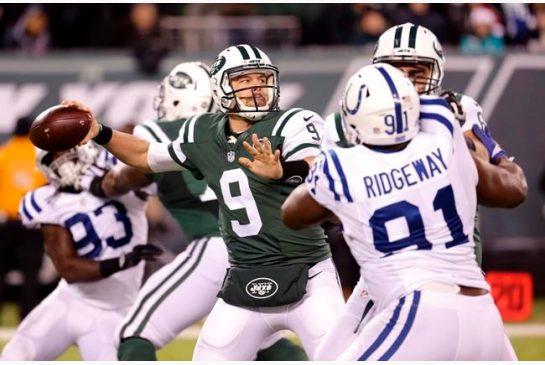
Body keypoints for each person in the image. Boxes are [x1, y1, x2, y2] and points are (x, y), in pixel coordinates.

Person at [68, 44, 345, 360]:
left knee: (339, 358)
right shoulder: (202, 132)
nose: (256, 88)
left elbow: (319, 168)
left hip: (308, 274)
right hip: (243, 279)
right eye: (244, 80)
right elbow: (145, 155)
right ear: (221, 87)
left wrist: (283, 170)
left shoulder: (294, 122)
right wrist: (100, 131)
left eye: (262, 78)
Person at [316, 22, 526, 360]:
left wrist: (467, 152)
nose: (405, 80)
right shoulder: (344, 125)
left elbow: (510, 187)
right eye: (395, 71)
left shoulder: (457, 112)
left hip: (452, 278)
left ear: (437, 71)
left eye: (417, 71)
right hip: (388, 284)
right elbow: (330, 214)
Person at [0, 143, 162, 361]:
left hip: (111, 313)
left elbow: (140, 172)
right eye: (53, 158)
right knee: (13, 357)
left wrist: (105, 139)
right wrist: (121, 261)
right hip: (67, 301)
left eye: (66, 153)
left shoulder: (118, 179)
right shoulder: (47, 200)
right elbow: (69, 268)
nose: (63, 164)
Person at [0, 116, 47, 321]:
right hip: (32, 222)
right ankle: (26, 315)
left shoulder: (4, 154)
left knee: (0, 272)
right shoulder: (39, 156)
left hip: (6, 222)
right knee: (31, 274)